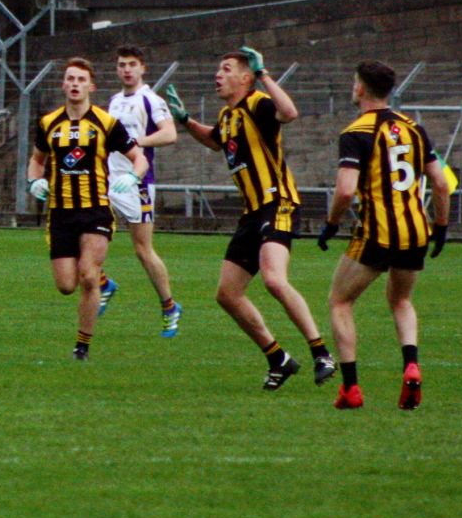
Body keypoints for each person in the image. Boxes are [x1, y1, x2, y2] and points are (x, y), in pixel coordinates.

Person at [165, 47, 336, 390]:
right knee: (227, 294)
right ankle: (279, 359)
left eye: (226, 69)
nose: (218, 75)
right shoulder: (229, 116)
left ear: (245, 77)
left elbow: (289, 112)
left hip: (278, 203)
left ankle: (322, 353)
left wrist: (264, 74)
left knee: (274, 280)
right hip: (251, 213)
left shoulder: (257, 102)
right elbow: (215, 141)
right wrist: (186, 121)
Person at [317, 60, 450, 410]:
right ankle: (411, 365)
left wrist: (331, 224)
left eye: (353, 82)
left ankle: (350, 389)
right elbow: (439, 183)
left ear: (361, 88)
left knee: (340, 301)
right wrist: (441, 227)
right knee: (401, 301)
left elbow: (346, 191)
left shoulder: (356, 132)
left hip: (377, 233)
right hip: (416, 231)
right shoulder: (414, 129)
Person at [26, 57, 149, 361]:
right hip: (60, 213)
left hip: (96, 210)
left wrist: (133, 176)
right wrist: (33, 182)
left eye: (81, 79)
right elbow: (37, 161)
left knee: (88, 276)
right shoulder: (49, 123)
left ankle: (82, 346)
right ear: (63, 85)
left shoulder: (106, 123)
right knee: (67, 285)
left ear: (91, 86)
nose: (75, 84)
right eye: (70, 79)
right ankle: (104, 283)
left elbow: (139, 157)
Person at [105, 46, 182, 337]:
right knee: (81, 226)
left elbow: (170, 133)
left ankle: (169, 305)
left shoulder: (150, 99)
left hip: (137, 182)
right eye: (122, 64)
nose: (126, 69)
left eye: (132, 64)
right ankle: (102, 283)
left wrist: (137, 141)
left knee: (142, 250)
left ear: (142, 68)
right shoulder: (113, 101)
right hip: (109, 179)